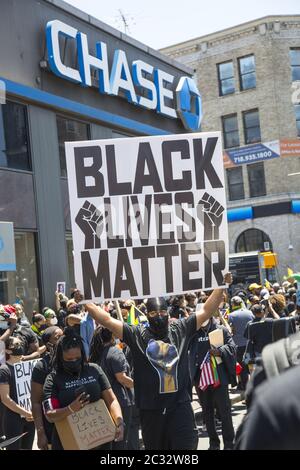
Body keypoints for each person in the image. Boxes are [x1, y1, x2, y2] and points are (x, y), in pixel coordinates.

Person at [85, 272, 233, 450]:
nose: (159, 316)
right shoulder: (136, 334)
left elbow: (206, 310)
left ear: (168, 312)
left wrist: (222, 285)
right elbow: (107, 320)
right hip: (151, 411)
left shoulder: (181, 329)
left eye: (163, 311)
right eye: (154, 312)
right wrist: (85, 302)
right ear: (147, 314)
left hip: (180, 408)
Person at [43, 328, 124, 450]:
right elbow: (50, 414)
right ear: (60, 357)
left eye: (77, 358)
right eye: (69, 360)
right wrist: (70, 409)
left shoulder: (94, 370)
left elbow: (111, 400)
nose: (74, 361)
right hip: (69, 442)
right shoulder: (53, 379)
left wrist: (119, 422)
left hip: (100, 440)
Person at [189, 317, 237, 450]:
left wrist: (220, 351)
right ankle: (213, 443)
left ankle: (229, 443)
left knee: (225, 411)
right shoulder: (194, 333)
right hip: (201, 380)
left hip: (219, 378)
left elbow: (232, 347)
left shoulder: (221, 330)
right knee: (207, 412)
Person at [89, 326, 134, 450]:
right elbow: (122, 378)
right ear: (113, 335)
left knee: (108, 442)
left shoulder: (95, 353)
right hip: (120, 402)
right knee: (121, 440)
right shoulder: (115, 351)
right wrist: (139, 385)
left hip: (103, 402)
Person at [31, 326, 63, 450]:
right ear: (49, 345)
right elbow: (36, 402)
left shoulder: (76, 359)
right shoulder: (42, 367)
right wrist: (40, 433)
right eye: (58, 337)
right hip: (52, 427)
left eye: (63, 336)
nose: (63, 340)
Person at [0, 336, 35, 450]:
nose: (19, 347)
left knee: (27, 447)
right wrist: (25, 412)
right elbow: (5, 398)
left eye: (20, 343)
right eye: (15, 345)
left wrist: (31, 412)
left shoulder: (28, 366)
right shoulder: (4, 370)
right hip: (13, 418)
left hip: (30, 417)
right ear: (7, 350)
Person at [228, 296, 254, 392]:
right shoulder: (250, 312)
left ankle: (245, 387)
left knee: (242, 367)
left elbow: (232, 330)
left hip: (238, 344)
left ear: (233, 304)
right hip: (249, 343)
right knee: (250, 365)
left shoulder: (231, 316)